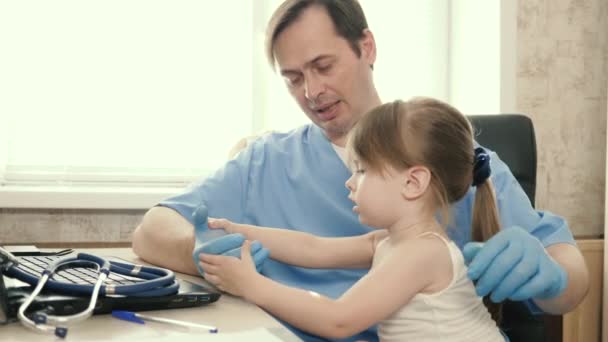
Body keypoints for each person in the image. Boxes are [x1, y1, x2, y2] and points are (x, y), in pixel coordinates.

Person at [132, 1, 588, 341]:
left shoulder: (452, 158)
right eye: (292, 78)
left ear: (366, 47)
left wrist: (554, 274)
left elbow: (569, 279)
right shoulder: (266, 160)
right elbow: (153, 230)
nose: (310, 90)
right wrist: (207, 245)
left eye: (322, 65)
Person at [198, 97, 507, 341]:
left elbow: (339, 320)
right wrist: (239, 230)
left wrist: (252, 286)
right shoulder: (390, 242)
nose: (350, 181)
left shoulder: (423, 252)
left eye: (361, 170)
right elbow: (313, 248)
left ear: (413, 183)